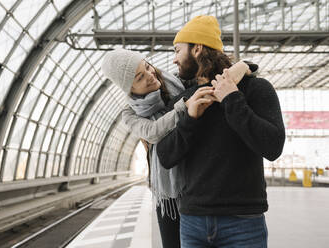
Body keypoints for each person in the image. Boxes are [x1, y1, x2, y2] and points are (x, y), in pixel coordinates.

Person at [101, 48, 257, 248]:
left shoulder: (176, 82)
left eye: (148, 67)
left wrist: (244, 66)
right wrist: (184, 106)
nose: (150, 75)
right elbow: (154, 131)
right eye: (140, 77)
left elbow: (212, 79)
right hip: (168, 192)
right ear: (129, 88)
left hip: (196, 179)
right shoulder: (129, 113)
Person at [155, 15, 286, 248]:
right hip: (193, 222)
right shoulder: (185, 100)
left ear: (196, 48)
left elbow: (273, 146)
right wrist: (190, 118)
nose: (174, 59)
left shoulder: (255, 89)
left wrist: (233, 99)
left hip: (243, 223)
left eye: (177, 50)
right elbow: (165, 156)